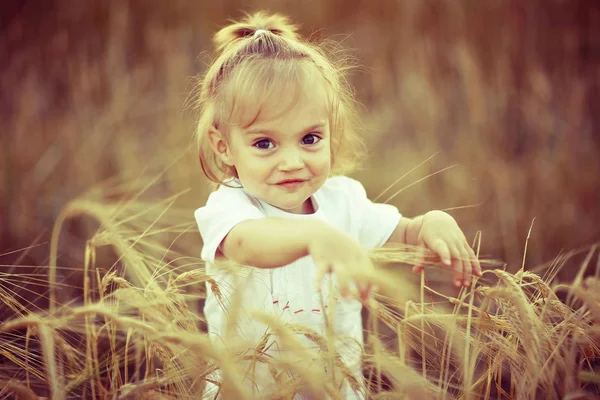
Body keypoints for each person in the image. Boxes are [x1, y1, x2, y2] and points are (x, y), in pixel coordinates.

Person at [193, 11, 482, 399]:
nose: (293, 161)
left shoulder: (342, 199)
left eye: (310, 138)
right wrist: (313, 235)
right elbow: (247, 244)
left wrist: (430, 223)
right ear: (223, 146)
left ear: (332, 130)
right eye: (265, 144)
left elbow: (401, 233)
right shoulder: (230, 207)